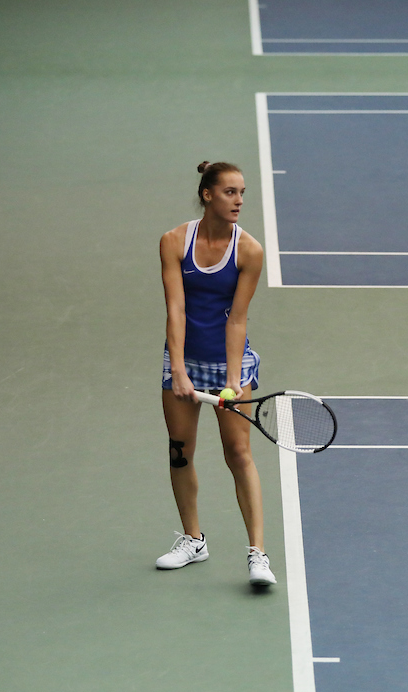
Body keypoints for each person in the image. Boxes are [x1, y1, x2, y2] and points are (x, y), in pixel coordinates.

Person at [154, 161, 275, 586]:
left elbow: (237, 320)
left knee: (237, 453)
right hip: (183, 358)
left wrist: (232, 381)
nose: (239, 200)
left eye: (242, 193)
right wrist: (180, 371)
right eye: (230, 192)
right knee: (179, 451)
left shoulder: (249, 251)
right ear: (207, 194)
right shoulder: (173, 242)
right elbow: (176, 309)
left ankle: (257, 555)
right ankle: (193, 541)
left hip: (231, 362)